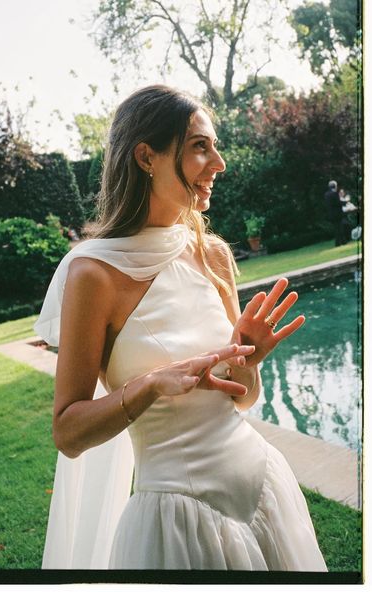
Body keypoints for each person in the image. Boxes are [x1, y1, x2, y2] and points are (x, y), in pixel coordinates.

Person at [35, 85, 327, 571]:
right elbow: (68, 432)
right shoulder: (92, 275)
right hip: (179, 524)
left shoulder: (213, 255)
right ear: (146, 156)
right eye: (199, 146)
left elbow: (242, 397)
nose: (219, 162)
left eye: (214, 146)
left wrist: (248, 361)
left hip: (263, 488)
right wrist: (149, 385)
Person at [324, 180, 346, 246]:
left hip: (331, 214)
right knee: (340, 228)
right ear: (335, 186)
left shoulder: (326, 194)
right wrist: (345, 202)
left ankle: (339, 242)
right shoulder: (335, 194)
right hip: (338, 213)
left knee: (336, 229)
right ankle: (341, 242)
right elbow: (337, 203)